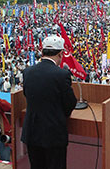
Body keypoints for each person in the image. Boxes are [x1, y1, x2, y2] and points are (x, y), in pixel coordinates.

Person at [21, 35, 77, 169]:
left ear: (42, 52)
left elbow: (26, 94)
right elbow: (70, 103)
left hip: (32, 132)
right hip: (53, 135)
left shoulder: (28, 72)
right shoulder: (62, 74)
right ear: (60, 54)